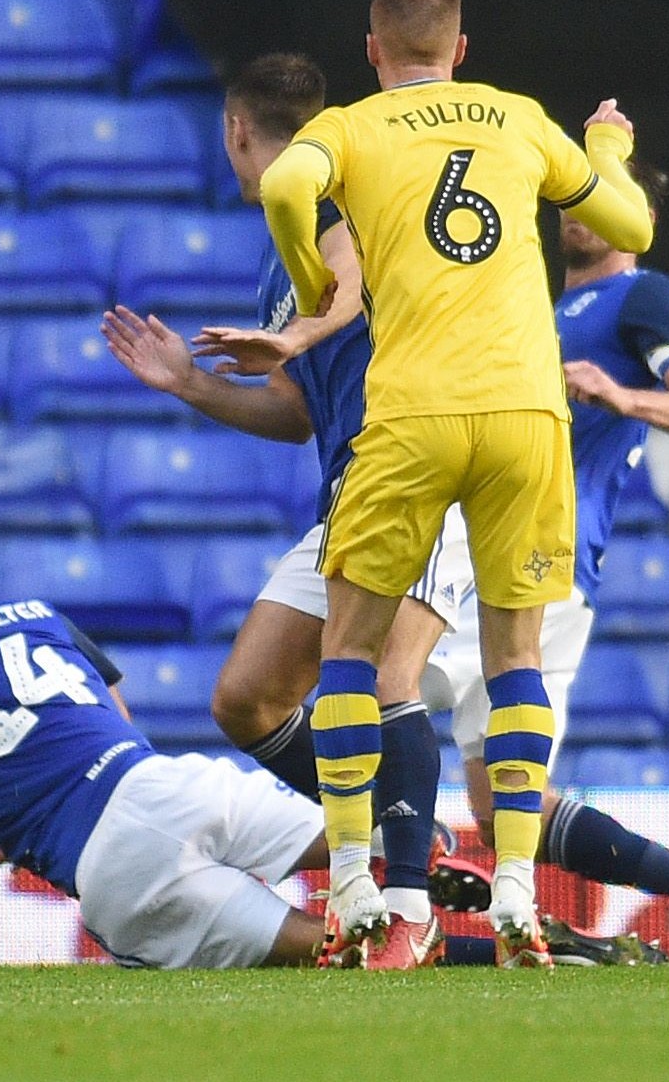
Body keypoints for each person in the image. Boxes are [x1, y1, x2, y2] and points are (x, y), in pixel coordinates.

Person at [257, 0, 653, 965]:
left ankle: (352, 880)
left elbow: (279, 187)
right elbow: (633, 226)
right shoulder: (520, 119)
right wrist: (605, 144)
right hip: (525, 416)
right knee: (514, 660)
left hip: (411, 416)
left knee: (349, 655)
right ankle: (514, 881)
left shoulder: (348, 129)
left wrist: (311, 287)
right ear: (461, 48)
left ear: (371, 49)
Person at [101, 51, 467, 965]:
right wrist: (189, 384)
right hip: (347, 483)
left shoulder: (337, 198)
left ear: (235, 129)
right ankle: (398, 833)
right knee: (248, 698)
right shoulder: (283, 243)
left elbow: (349, 273)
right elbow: (299, 409)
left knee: (383, 679)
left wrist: (301, 328)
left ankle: (409, 906)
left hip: (414, 460)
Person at [420, 160, 669, 962]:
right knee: (499, 798)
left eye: (606, 200)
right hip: (526, 556)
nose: (579, 214)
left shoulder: (642, 296)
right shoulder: (556, 309)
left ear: (640, 219)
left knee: (377, 685)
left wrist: (622, 397)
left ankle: (396, 876)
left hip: (529, 552)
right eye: (577, 199)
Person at [0, 531, 336, 970]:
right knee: (367, 845)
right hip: (168, 787)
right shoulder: (39, 618)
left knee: (333, 949)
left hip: (119, 874)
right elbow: (114, 723)